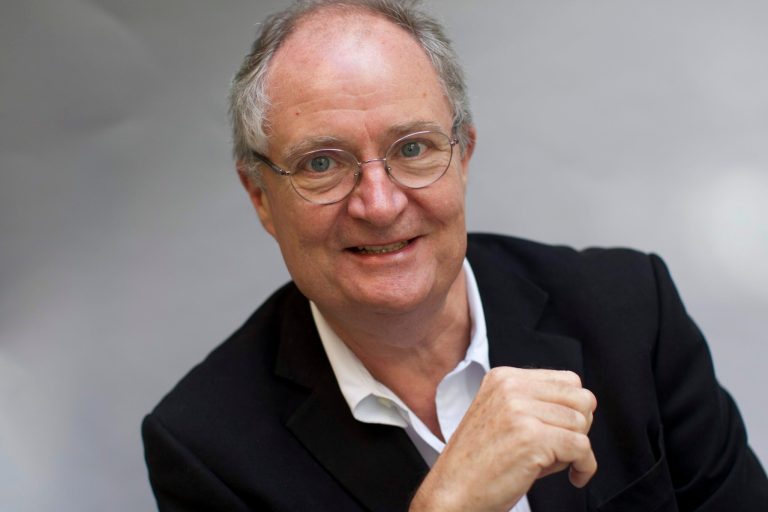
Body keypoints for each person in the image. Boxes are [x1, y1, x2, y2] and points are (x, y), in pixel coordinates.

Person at [142, 1, 768, 510]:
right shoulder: (205, 450)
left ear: (463, 156)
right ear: (261, 197)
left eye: (412, 149)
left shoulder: (632, 311)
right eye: (322, 163)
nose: (380, 204)